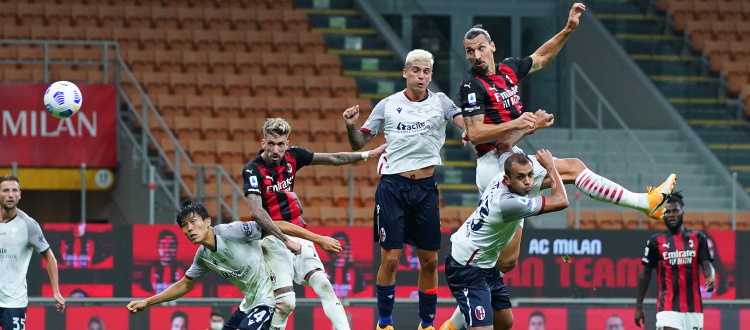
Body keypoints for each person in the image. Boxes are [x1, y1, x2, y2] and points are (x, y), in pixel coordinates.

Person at [345, 48, 519, 330]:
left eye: (426, 71)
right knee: (391, 259)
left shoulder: (441, 102)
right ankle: (384, 323)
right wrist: (351, 126)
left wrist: (468, 130)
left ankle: (426, 325)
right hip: (392, 187)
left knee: (429, 260)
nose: (421, 76)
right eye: (415, 70)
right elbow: (358, 144)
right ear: (405, 73)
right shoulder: (387, 105)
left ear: (430, 75)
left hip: (425, 187)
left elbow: (465, 122)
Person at [242, 117, 386, 330]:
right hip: (272, 238)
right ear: (263, 143)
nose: (275, 149)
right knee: (286, 303)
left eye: (280, 144)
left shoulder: (293, 157)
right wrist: (286, 240)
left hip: (298, 231)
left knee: (324, 286)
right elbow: (256, 212)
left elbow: (334, 158)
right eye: (271, 143)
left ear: (287, 144)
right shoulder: (253, 170)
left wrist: (368, 154)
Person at [126, 201, 342, 330]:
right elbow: (184, 285)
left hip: (270, 300)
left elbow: (279, 226)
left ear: (207, 221)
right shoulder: (202, 256)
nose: (190, 228)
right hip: (249, 304)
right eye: (184, 225)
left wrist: (319, 239)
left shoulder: (232, 231)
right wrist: (147, 302)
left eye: (193, 221)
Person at [446, 149, 569, 330]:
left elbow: (505, 149)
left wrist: (529, 126)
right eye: (520, 177)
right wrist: (550, 166)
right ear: (507, 180)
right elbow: (561, 200)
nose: (527, 182)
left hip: (486, 265)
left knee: (504, 322)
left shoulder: (502, 174)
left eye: (530, 175)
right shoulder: (509, 203)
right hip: (467, 266)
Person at [634, 192, 714, 330]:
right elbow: (645, 274)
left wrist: (710, 277)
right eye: (667, 212)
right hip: (667, 308)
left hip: (693, 310)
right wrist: (638, 306)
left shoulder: (698, 238)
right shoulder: (655, 241)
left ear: (682, 212)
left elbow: (706, 263)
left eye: (675, 211)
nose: (671, 214)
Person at [0, 174, 65, 330]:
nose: (10, 195)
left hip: (14, 303)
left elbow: (49, 257)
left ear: (20, 195)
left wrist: (56, 291)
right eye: (6, 190)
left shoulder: (28, 225)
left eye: (15, 191)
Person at [324, 232, 365, 297]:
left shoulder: (356, 271)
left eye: (343, 248)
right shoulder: (323, 269)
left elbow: (361, 293)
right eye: (336, 248)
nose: (340, 252)